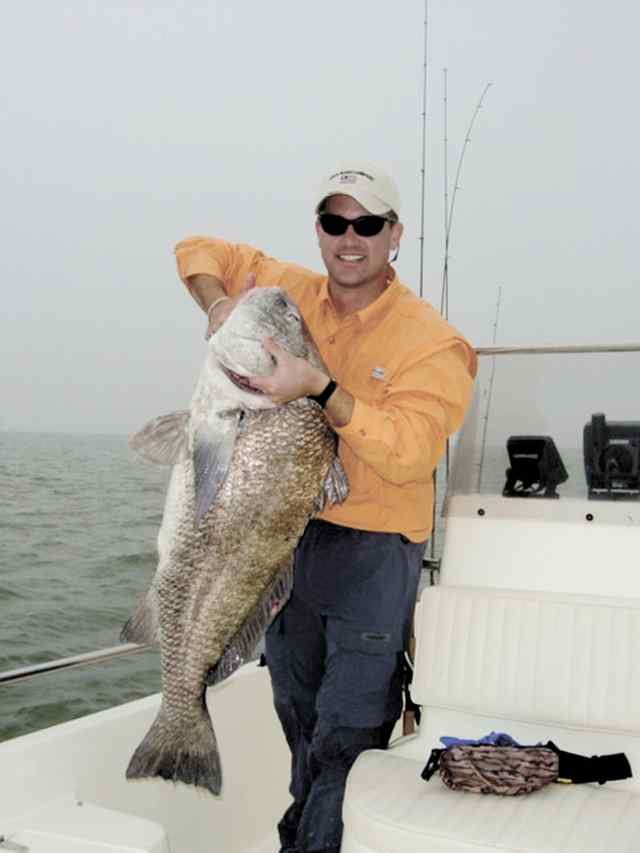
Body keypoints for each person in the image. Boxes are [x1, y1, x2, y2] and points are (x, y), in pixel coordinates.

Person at [175, 164, 477, 853]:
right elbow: (196, 249)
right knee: (300, 716)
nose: (350, 238)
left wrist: (320, 386)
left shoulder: (432, 341)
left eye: (368, 223)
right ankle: (304, 836)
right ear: (319, 230)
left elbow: (408, 450)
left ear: (393, 234)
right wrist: (220, 303)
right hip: (289, 538)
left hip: (374, 555)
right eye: (335, 222)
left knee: (349, 732)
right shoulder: (290, 291)